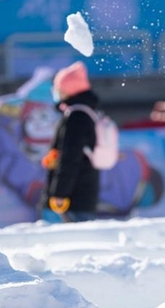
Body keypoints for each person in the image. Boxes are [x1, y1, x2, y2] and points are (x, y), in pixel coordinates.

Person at [40, 61, 100, 223]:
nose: (56, 92)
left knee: (68, 245)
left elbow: (70, 158)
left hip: (72, 198)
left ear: (68, 89)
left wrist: (59, 193)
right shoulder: (87, 112)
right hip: (83, 194)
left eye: (59, 88)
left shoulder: (76, 117)